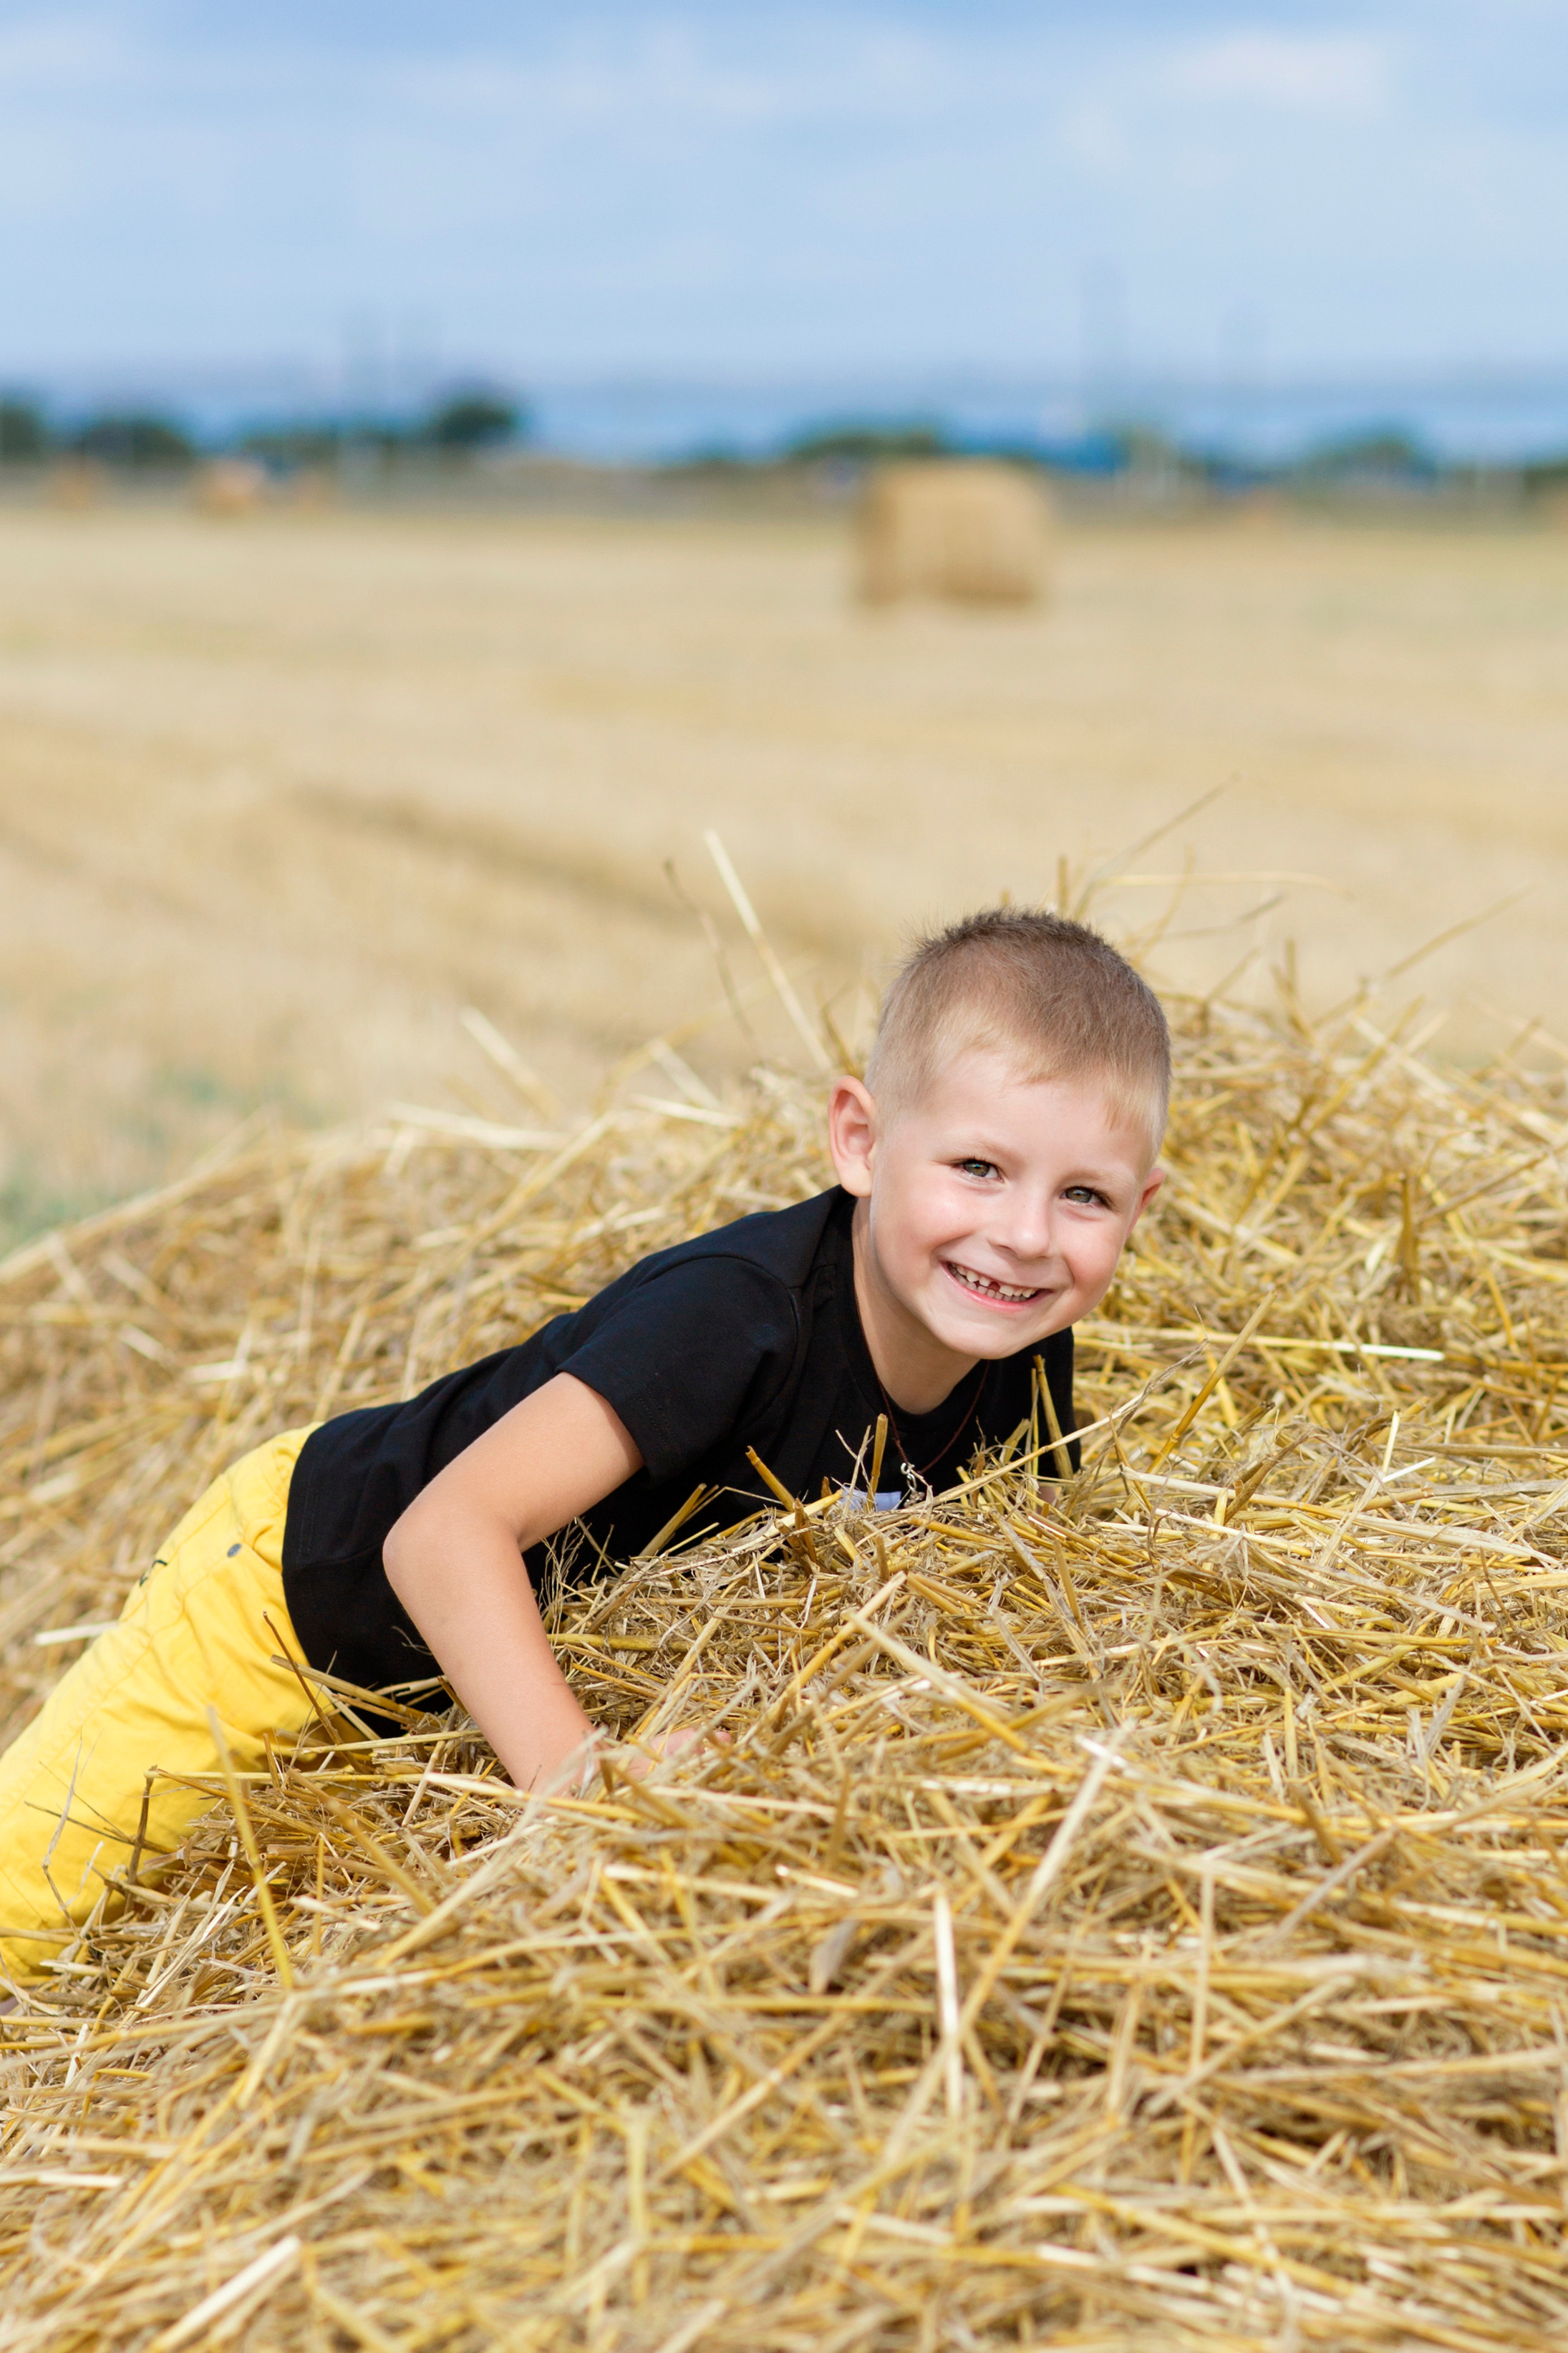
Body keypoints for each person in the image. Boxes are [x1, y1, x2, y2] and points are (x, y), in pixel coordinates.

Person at [0, 909, 1168, 1984]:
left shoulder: (1020, 1354)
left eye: (1084, 1196)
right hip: (298, 1601)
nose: (1024, 1235)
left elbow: (1002, 1592)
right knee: (25, 1920)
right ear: (858, 1141)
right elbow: (439, 1535)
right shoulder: (737, 1319)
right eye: (977, 1168)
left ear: (1142, 1209)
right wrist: (583, 1788)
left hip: (453, 1699)